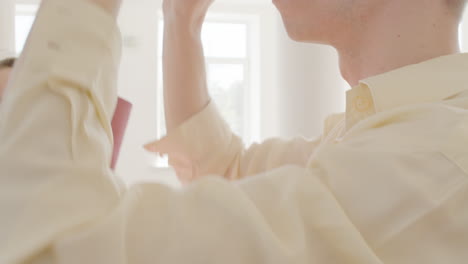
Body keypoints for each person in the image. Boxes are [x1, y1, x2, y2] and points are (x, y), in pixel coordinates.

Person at [0, 0, 467, 264]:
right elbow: (223, 169)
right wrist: (181, 21)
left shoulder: (437, 161)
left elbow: (52, 247)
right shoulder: (390, 136)